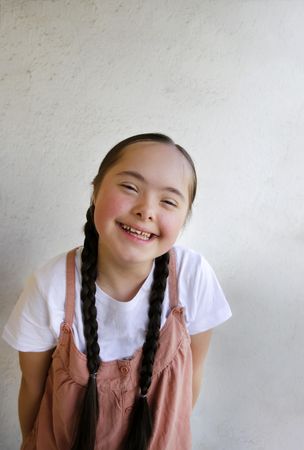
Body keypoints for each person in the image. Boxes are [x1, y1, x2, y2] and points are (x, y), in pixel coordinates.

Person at [2, 133, 232, 450]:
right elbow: (32, 386)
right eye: (129, 187)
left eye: (168, 201)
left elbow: (192, 373)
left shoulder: (193, 277)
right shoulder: (51, 285)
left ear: (184, 218)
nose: (146, 210)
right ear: (95, 191)